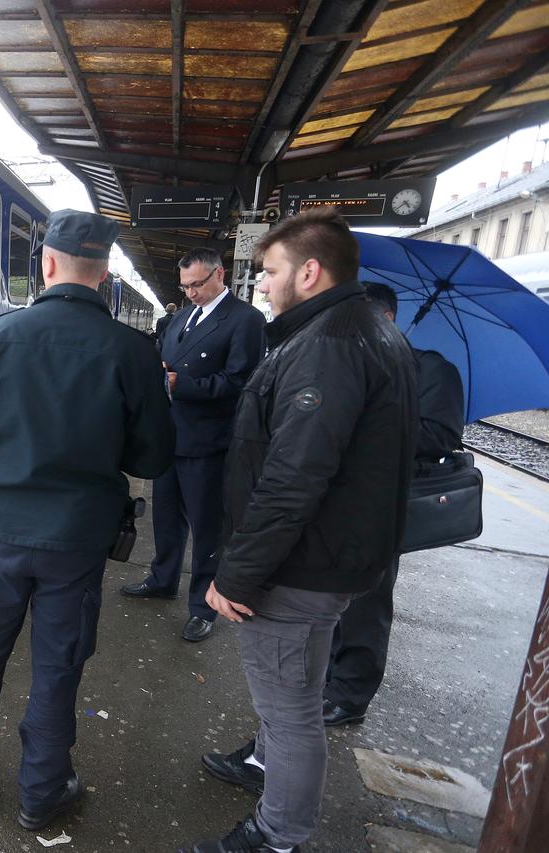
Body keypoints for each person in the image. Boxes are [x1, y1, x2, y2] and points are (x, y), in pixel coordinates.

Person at [0, 209, 174, 831]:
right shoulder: (132, 351)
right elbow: (153, 456)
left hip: (0, 532)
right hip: (77, 539)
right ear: (103, 275)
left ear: (46, 264)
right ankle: (42, 795)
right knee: (58, 665)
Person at [192, 208, 417, 853]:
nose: (261, 284)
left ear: (309, 272)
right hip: (335, 559)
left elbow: (294, 478)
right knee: (302, 690)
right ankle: (264, 770)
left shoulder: (325, 347)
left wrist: (237, 573)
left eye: (269, 271)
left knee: (289, 713)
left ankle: (277, 836)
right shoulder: (366, 332)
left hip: (299, 568)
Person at [322, 282, 464, 726]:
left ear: (385, 319)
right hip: (334, 498)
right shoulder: (348, 367)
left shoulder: (431, 370)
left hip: (383, 504)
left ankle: (350, 694)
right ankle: (326, 678)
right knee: (328, 593)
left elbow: (439, 435)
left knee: (367, 599)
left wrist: (368, 427)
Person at [120, 248, 265, 642]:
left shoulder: (245, 320)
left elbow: (242, 383)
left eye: (197, 284)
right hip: (170, 436)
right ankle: (162, 578)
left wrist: (181, 385)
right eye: (185, 287)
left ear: (220, 274)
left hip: (210, 441)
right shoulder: (182, 317)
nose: (191, 293)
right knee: (166, 518)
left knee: (206, 528)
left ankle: (203, 606)